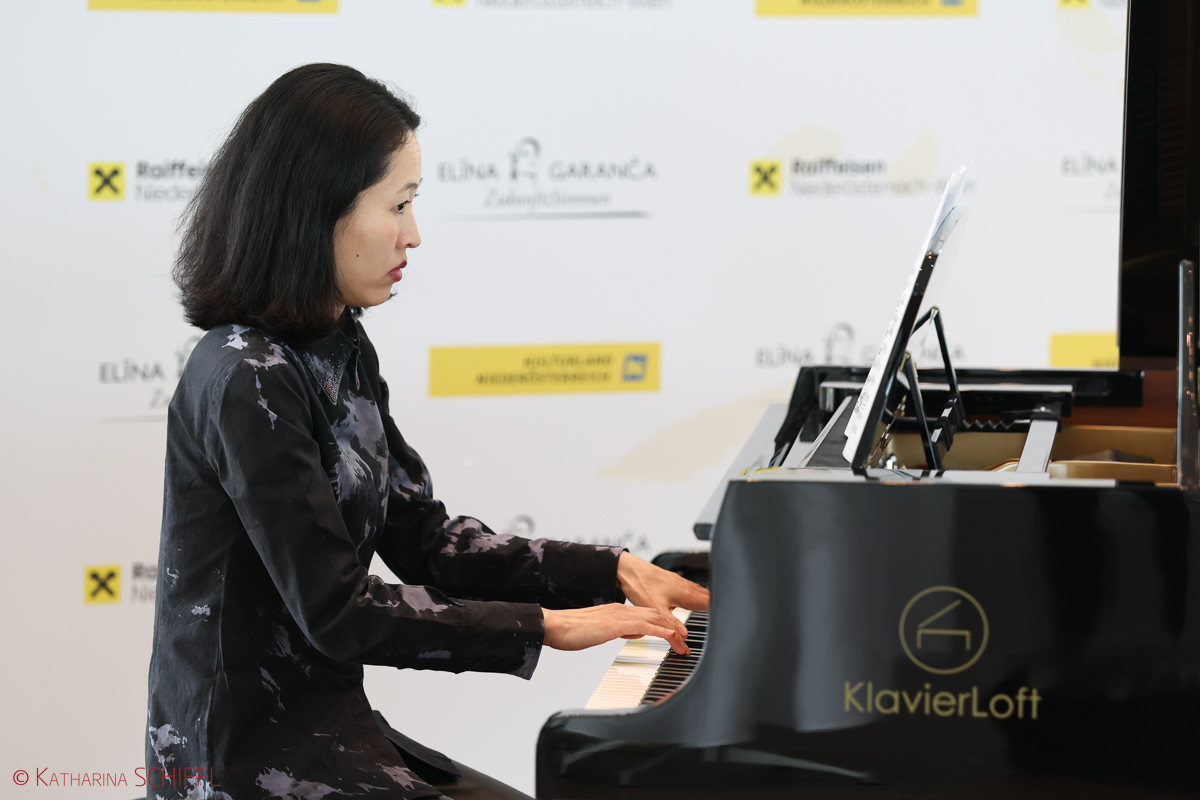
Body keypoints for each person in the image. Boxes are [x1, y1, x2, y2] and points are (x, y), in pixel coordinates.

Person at [145, 63, 708, 800]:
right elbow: (339, 612)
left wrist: (612, 569)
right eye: (399, 204)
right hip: (244, 762)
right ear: (316, 209)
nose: (413, 235)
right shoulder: (246, 375)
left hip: (330, 731)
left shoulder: (339, 342)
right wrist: (546, 626)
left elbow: (427, 542)